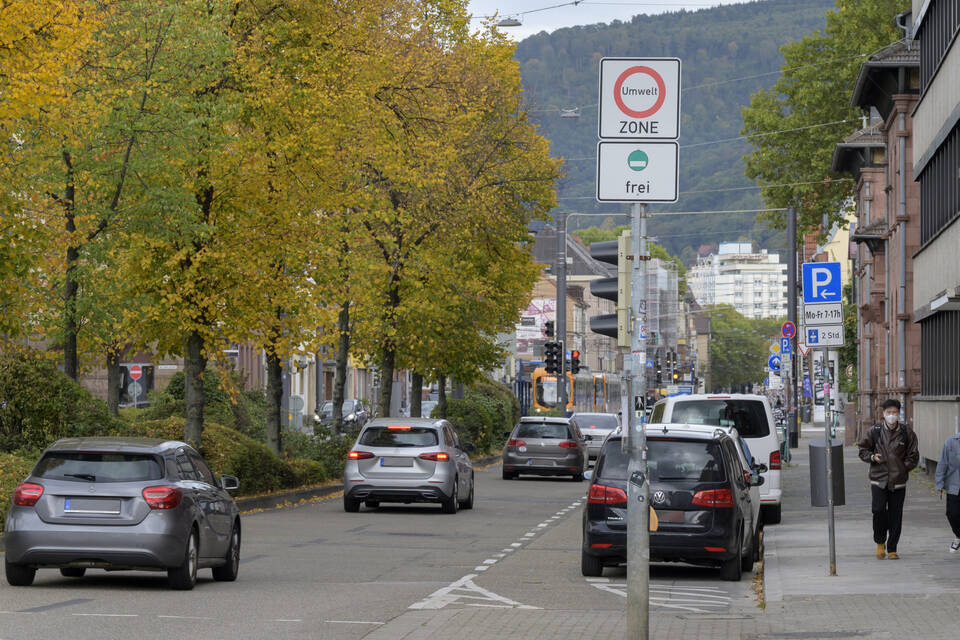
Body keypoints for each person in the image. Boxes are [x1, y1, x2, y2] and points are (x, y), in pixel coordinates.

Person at [857, 399, 919, 559]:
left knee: (895, 514)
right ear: (883, 414)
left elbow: (913, 456)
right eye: (889, 412)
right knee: (878, 511)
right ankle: (879, 542)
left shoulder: (907, 433)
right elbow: (862, 449)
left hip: (898, 481)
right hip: (879, 479)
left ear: (899, 414)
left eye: (894, 412)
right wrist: (872, 457)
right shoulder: (874, 431)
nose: (892, 415)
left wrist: (903, 468)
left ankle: (892, 548)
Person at [934, 430, 960, 552]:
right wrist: (939, 483)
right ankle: (958, 536)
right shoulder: (951, 442)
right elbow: (942, 463)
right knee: (952, 514)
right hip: (955, 485)